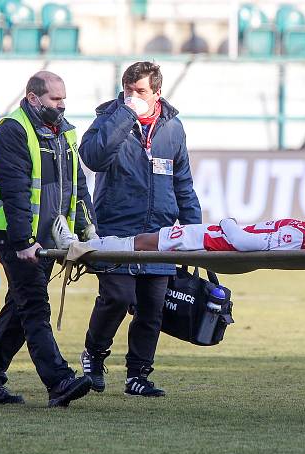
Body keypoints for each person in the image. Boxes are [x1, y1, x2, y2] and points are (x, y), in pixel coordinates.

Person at [0, 71, 95, 407]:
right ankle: (60, 381)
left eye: (63, 98)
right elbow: (14, 193)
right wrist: (24, 241)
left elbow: (77, 186)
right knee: (35, 306)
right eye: (55, 99)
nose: (62, 104)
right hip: (15, 238)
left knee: (19, 310)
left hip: (46, 239)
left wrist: (88, 229)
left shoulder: (63, 134)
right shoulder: (11, 131)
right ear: (33, 97)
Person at [78, 61, 202, 397]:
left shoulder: (173, 128)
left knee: (152, 309)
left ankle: (138, 376)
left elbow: (183, 183)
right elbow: (93, 157)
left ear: (157, 93)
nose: (133, 96)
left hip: (160, 233)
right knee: (117, 297)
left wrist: (196, 233)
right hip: (116, 228)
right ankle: (94, 353)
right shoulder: (109, 117)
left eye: (141, 92)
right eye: (128, 90)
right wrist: (125, 114)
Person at [82, 215, 305, 253]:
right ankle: (92, 243)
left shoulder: (298, 239)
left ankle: (88, 246)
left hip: (214, 238)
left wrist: (227, 221)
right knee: (144, 240)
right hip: (214, 237)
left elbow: (243, 242)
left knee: (144, 242)